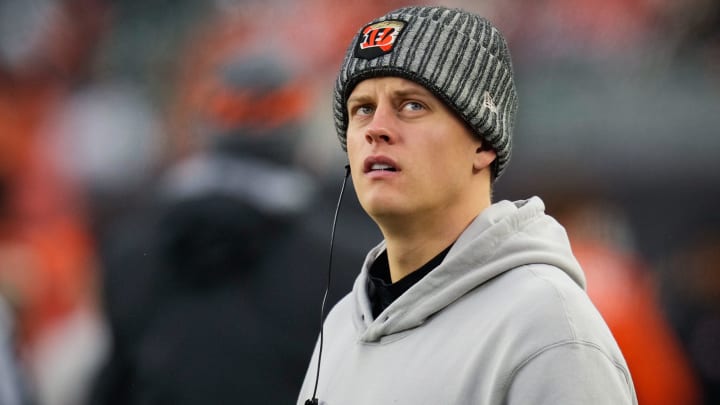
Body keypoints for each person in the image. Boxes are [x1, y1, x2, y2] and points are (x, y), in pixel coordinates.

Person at [297, 6, 637, 405]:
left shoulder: (548, 328)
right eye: (363, 109)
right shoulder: (339, 326)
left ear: (483, 143)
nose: (376, 129)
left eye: (412, 105)